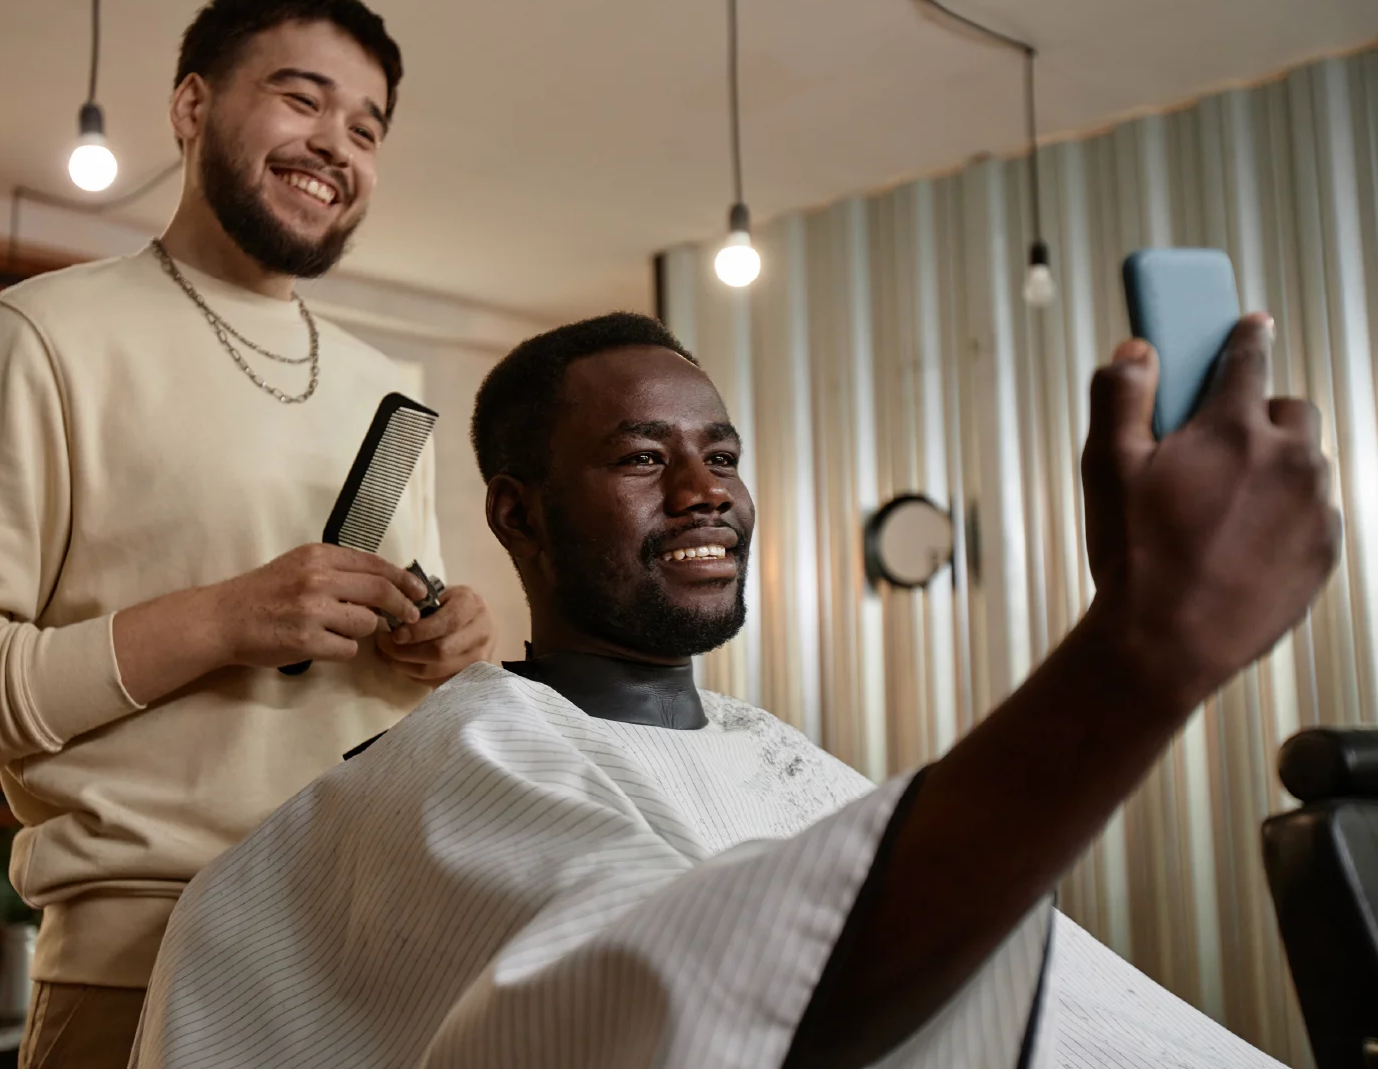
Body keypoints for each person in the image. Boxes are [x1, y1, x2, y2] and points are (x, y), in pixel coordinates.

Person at [131, 312, 1336, 1068]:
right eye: (642, 458)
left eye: (721, 454)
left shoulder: (773, 754)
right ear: (515, 514)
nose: (704, 488)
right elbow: (708, 1004)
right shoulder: (476, 761)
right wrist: (1138, 654)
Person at [0, 0, 496, 1065]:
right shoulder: (40, 336)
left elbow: (351, 708)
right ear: (192, 106)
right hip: (139, 975)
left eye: (367, 127)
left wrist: (440, 651)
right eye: (302, 98)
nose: (336, 143)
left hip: (376, 960)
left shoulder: (386, 388)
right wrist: (226, 618)